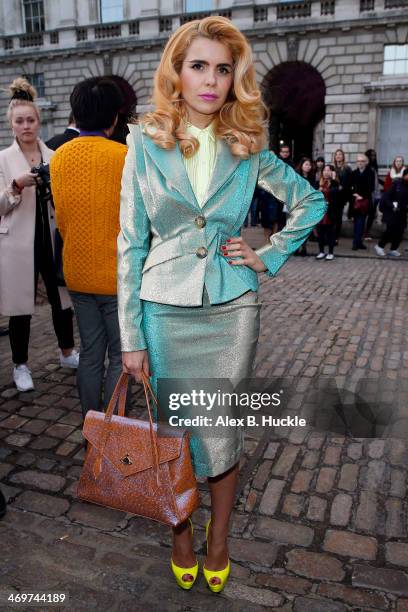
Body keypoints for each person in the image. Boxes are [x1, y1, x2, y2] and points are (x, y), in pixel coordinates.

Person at [117, 16, 326, 593]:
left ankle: (220, 538)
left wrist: (269, 254)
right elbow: (131, 242)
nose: (211, 79)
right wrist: (129, 336)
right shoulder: (143, 141)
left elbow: (309, 202)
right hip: (164, 309)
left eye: (223, 69)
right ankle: (181, 532)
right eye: (199, 66)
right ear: (177, 74)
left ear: (235, 78)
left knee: (223, 430)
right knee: (176, 431)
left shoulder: (247, 144)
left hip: (232, 308)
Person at [50, 78, 128, 418]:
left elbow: (63, 219)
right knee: (122, 356)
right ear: (113, 118)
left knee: (91, 353)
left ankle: (91, 425)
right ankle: (112, 428)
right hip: (117, 275)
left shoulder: (58, 158)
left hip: (78, 273)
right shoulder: (124, 155)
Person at [0, 78, 78, 393]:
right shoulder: (3, 159)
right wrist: (16, 185)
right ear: (12, 124)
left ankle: (67, 352)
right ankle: (20, 364)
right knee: (21, 306)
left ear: (39, 121)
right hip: (19, 242)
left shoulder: (53, 154)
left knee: (62, 298)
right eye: (20, 121)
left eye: (31, 120)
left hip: (52, 237)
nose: (26, 125)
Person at [374, 168, 408, 257]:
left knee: (400, 232)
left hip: (402, 213)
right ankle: (379, 246)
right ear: (405, 175)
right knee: (390, 231)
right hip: (392, 212)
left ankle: (393, 249)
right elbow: (386, 196)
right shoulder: (397, 184)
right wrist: (392, 205)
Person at [349, 153, 375, 251]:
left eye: (362, 161)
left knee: (361, 221)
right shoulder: (354, 173)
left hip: (364, 202)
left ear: (366, 162)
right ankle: (358, 242)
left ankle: (356, 243)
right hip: (355, 201)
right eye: (358, 161)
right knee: (357, 222)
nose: (360, 163)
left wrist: (362, 196)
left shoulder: (370, 172)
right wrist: (354, 194)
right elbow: (349, 186)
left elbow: (371, 187)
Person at [315, 165, 339, 261]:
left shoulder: (335, 183)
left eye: (328, 170)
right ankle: (321, 251)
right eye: (324, 170)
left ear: (332, 172)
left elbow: (336, 192)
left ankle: (330, 252)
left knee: (330, 233)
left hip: (330, 211)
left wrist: (333, 179)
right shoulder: (318, 182)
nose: (326, 172)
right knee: (320, 232)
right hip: (320, 211)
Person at [295, 157, 317, 255]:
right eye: (306, 164)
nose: (308, 167)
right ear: (302, 165)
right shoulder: (296, 176)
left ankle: (304, 248)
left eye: (309, 165)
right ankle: (296, 248)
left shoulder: (312, 177)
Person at [333, 148, 352, 241]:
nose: (338, 156)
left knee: (338, 217)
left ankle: (336, 237)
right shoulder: (332, 167)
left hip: (341, 196)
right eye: (337, 154)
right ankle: (330, 235)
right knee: (332, 216)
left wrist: (339, 184)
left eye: (340, 154)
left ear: (343, 156)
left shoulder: (347, 168)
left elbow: (346, 184)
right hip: (332, 195)